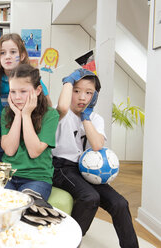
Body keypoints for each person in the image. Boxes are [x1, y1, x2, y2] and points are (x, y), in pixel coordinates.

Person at [52, 68, 139, 247]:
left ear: (95, 96)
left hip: (87, 170)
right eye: (77, 91)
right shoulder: (61, 113)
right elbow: (62, 105)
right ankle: (69, 242)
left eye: (88, 93)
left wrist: (86, 117)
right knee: (90, 197)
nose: (82, 97)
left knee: (120, 203)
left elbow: (97, 145)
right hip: (61, 167)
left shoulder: (95, 118)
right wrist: (68, 84)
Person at [0, 33, 52, 161]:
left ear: (22, 56)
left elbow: (48, 105)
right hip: (5, 133)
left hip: (30, 131)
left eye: (13, 52)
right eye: (3, 53)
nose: (8, 57)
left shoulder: (31, 79)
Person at [0, 64, 59, 200]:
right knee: (1, 206)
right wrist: (18, 115)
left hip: (37, 178)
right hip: (8, 175)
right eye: (13, 92)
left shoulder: (51, 115)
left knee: (25, 206)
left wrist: (26, 114)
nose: (17, 97)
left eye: (23, 91)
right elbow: (9, 150)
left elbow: (34, 151)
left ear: (38, 90)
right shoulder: (7, 113)